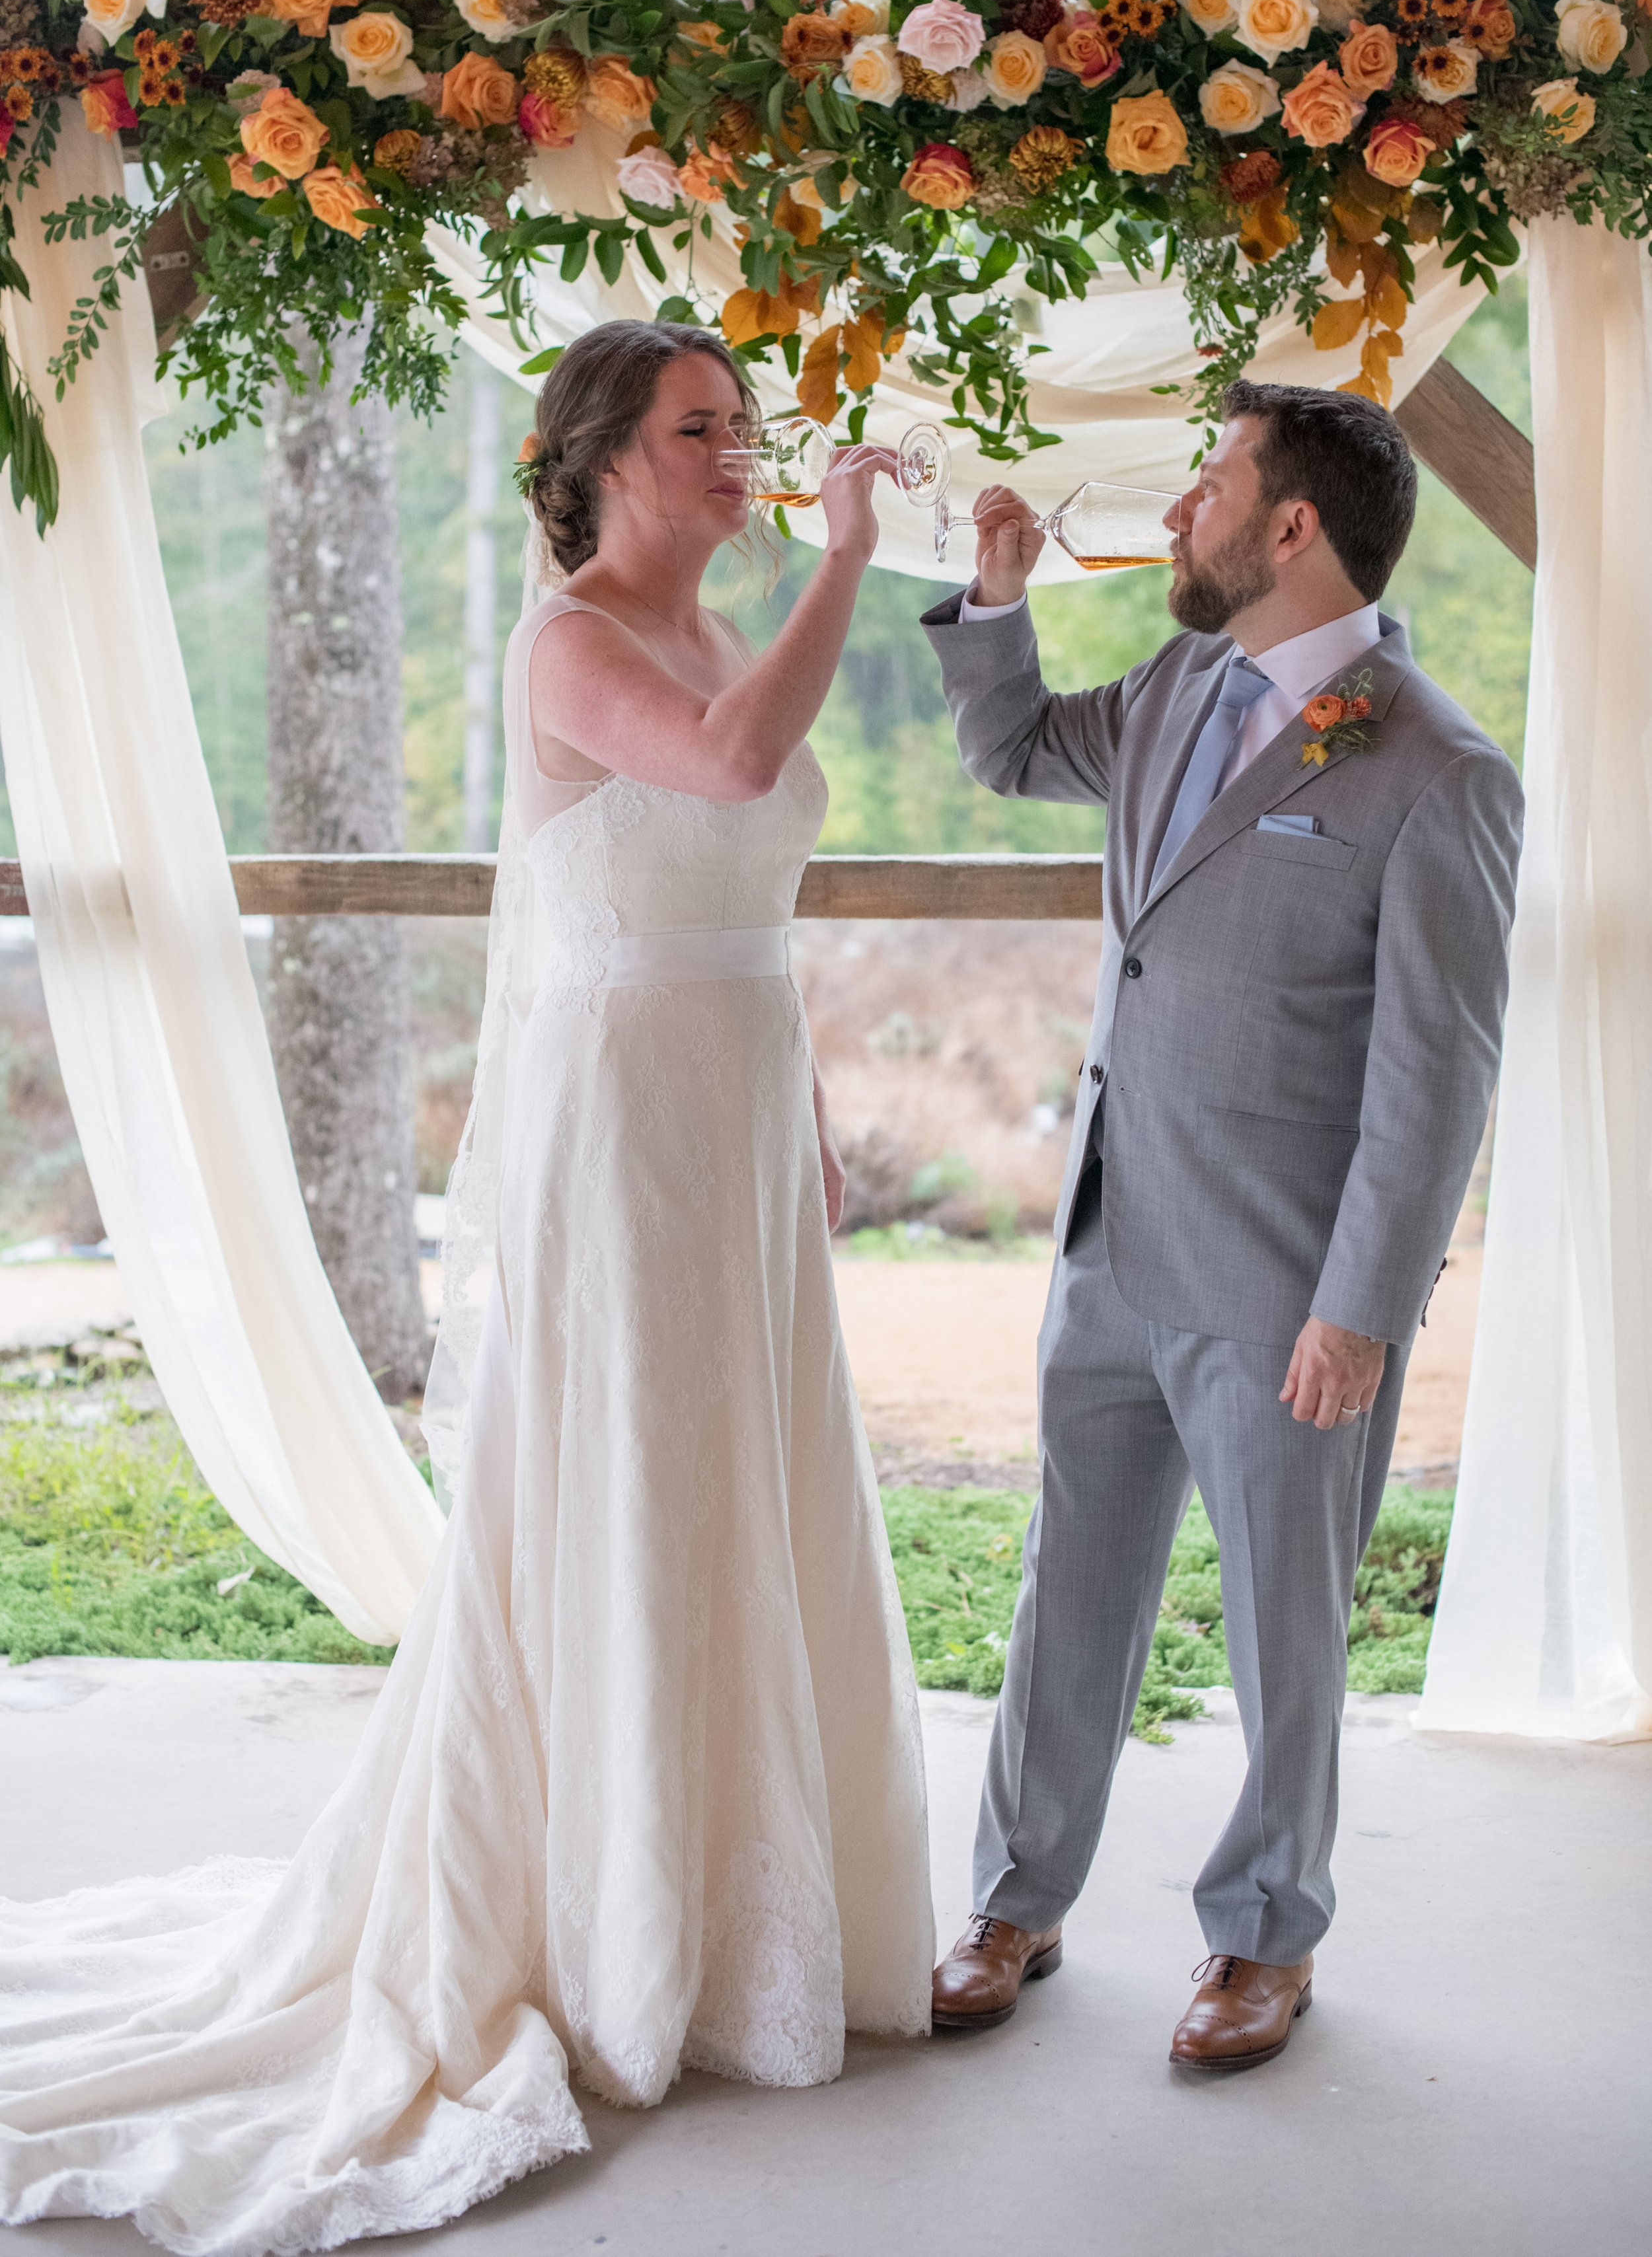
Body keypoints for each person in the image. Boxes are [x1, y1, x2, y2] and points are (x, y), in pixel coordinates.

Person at [0, 322, 934, 2250]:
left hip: (741, 1108)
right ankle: (612, 1922)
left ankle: (751, 1884)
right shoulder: (571, 641)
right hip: (624, 1136)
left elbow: (741, 877)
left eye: (744, 426)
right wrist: (848, 552)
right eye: (702, 427)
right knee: (629, 1481)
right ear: (599, 458)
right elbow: (739, 760)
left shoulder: (706, 631)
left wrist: (813, 1101)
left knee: (755, 1475)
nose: (741, 452)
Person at [922, 380, 1522, 2071]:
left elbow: (1433, 1079)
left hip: (1285, 1288)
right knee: (1070, 1586)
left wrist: (1362, 1306)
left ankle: (1263, 1936)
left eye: (1206, 488)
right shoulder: (1181, 679)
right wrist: (991, 599)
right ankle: (1012, 1901)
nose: (1177, 514)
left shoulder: (1437, 770)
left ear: (1289, 528)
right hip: (1110, 1239)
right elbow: (1012, 748)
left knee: (1283, 1619)